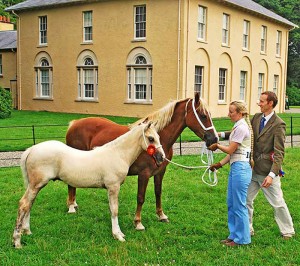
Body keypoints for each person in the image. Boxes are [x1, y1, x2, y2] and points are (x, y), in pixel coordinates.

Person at [247, 91, 295, 239]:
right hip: (252, 169)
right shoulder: (255, 118)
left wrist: (272, 175)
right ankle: (247, 229)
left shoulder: (279, 124)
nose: (258, 103)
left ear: (270, 104)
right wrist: (220, 135)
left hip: (268, 173)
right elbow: (243, 132)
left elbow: (279, 152)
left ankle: (288, 231)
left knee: (277, 202)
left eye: (262, 101)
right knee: (246, 200)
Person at [208, 101, 253, 247]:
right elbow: (234, 153)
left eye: (231, 112)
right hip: (237, 167)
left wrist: (217, 145)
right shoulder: (238, 126)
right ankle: (234, 235)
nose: (228, 114)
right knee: (231, 203)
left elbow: (230, 150)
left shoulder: (241, 127)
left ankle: (242, 238)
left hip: (241, 168)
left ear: (239, 113)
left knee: (239, 204)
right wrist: (219, 165)